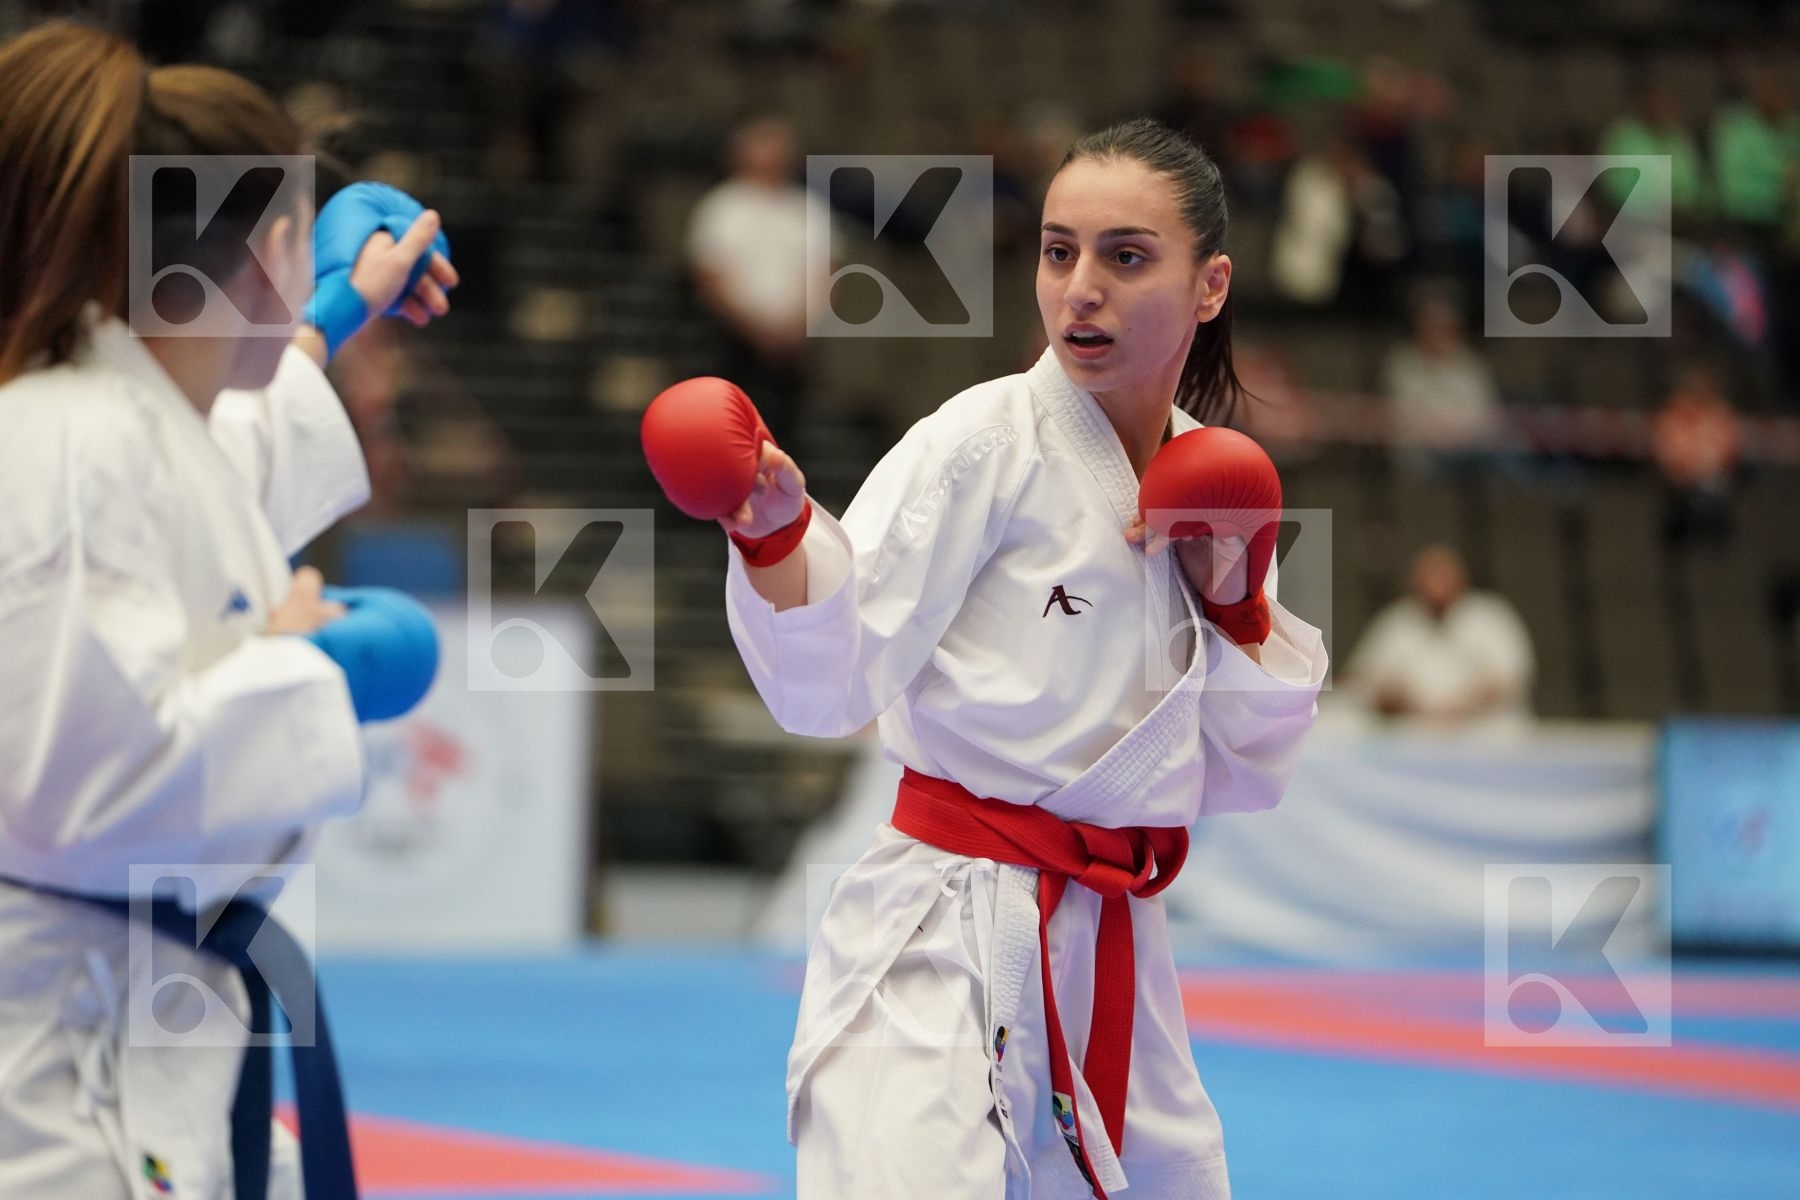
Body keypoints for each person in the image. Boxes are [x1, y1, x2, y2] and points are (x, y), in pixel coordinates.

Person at [645, 118, 1327, 1199]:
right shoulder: (982, 440)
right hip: (941, 936)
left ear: (1212, 286)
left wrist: (1238, 604)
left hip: (1113, 948)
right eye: (1060, 252)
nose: (1081, 288)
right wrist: (774, 532)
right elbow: (831, 685)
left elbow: (1243, 775)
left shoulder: (1218, 481)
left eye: (1126, 255)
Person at [0, 21, 457, 1200]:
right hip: (56, 1062)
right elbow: (86, 780)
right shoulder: (69, 444)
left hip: (134, 1021)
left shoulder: (124, 413)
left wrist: (341, 313)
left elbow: (221, 456)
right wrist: (300, 661)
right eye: (299, 233)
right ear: (268, 249)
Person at [686, 115, 829, 443]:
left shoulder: (808, 209)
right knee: (732, 432)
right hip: (735, 341)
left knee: (785, 433)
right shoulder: (723, 206)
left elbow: (825, 273)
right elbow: (711, 274)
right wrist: (754, 327)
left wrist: (798, 324)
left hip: (793, 343)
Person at [1347, 545, 1535, 725]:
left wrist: (1457, 708)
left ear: (1461, 579)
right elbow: (1365, 680)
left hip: (1486, 736)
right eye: (1429, 576)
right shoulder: (1397, 621)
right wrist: (1398, 699)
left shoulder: (1491, 616)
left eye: (1443, 575)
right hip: (1411, 737)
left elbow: (1510, 679)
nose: (1436, 584)